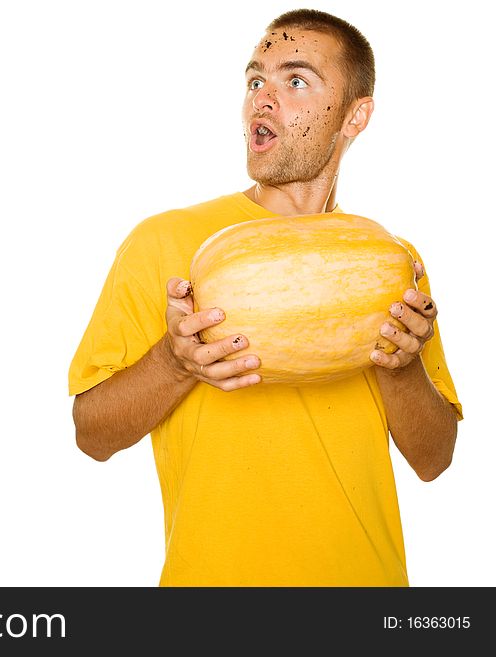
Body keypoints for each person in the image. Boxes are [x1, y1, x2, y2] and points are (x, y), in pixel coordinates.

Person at [68, 9, 463, 587]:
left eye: (295, 80)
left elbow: (435, 460)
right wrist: (175, 363)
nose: (262, 99)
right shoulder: (164, 241)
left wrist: (401, 372)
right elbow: (90, 433)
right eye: (256, 80)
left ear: (356, 116)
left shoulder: (390, 261)